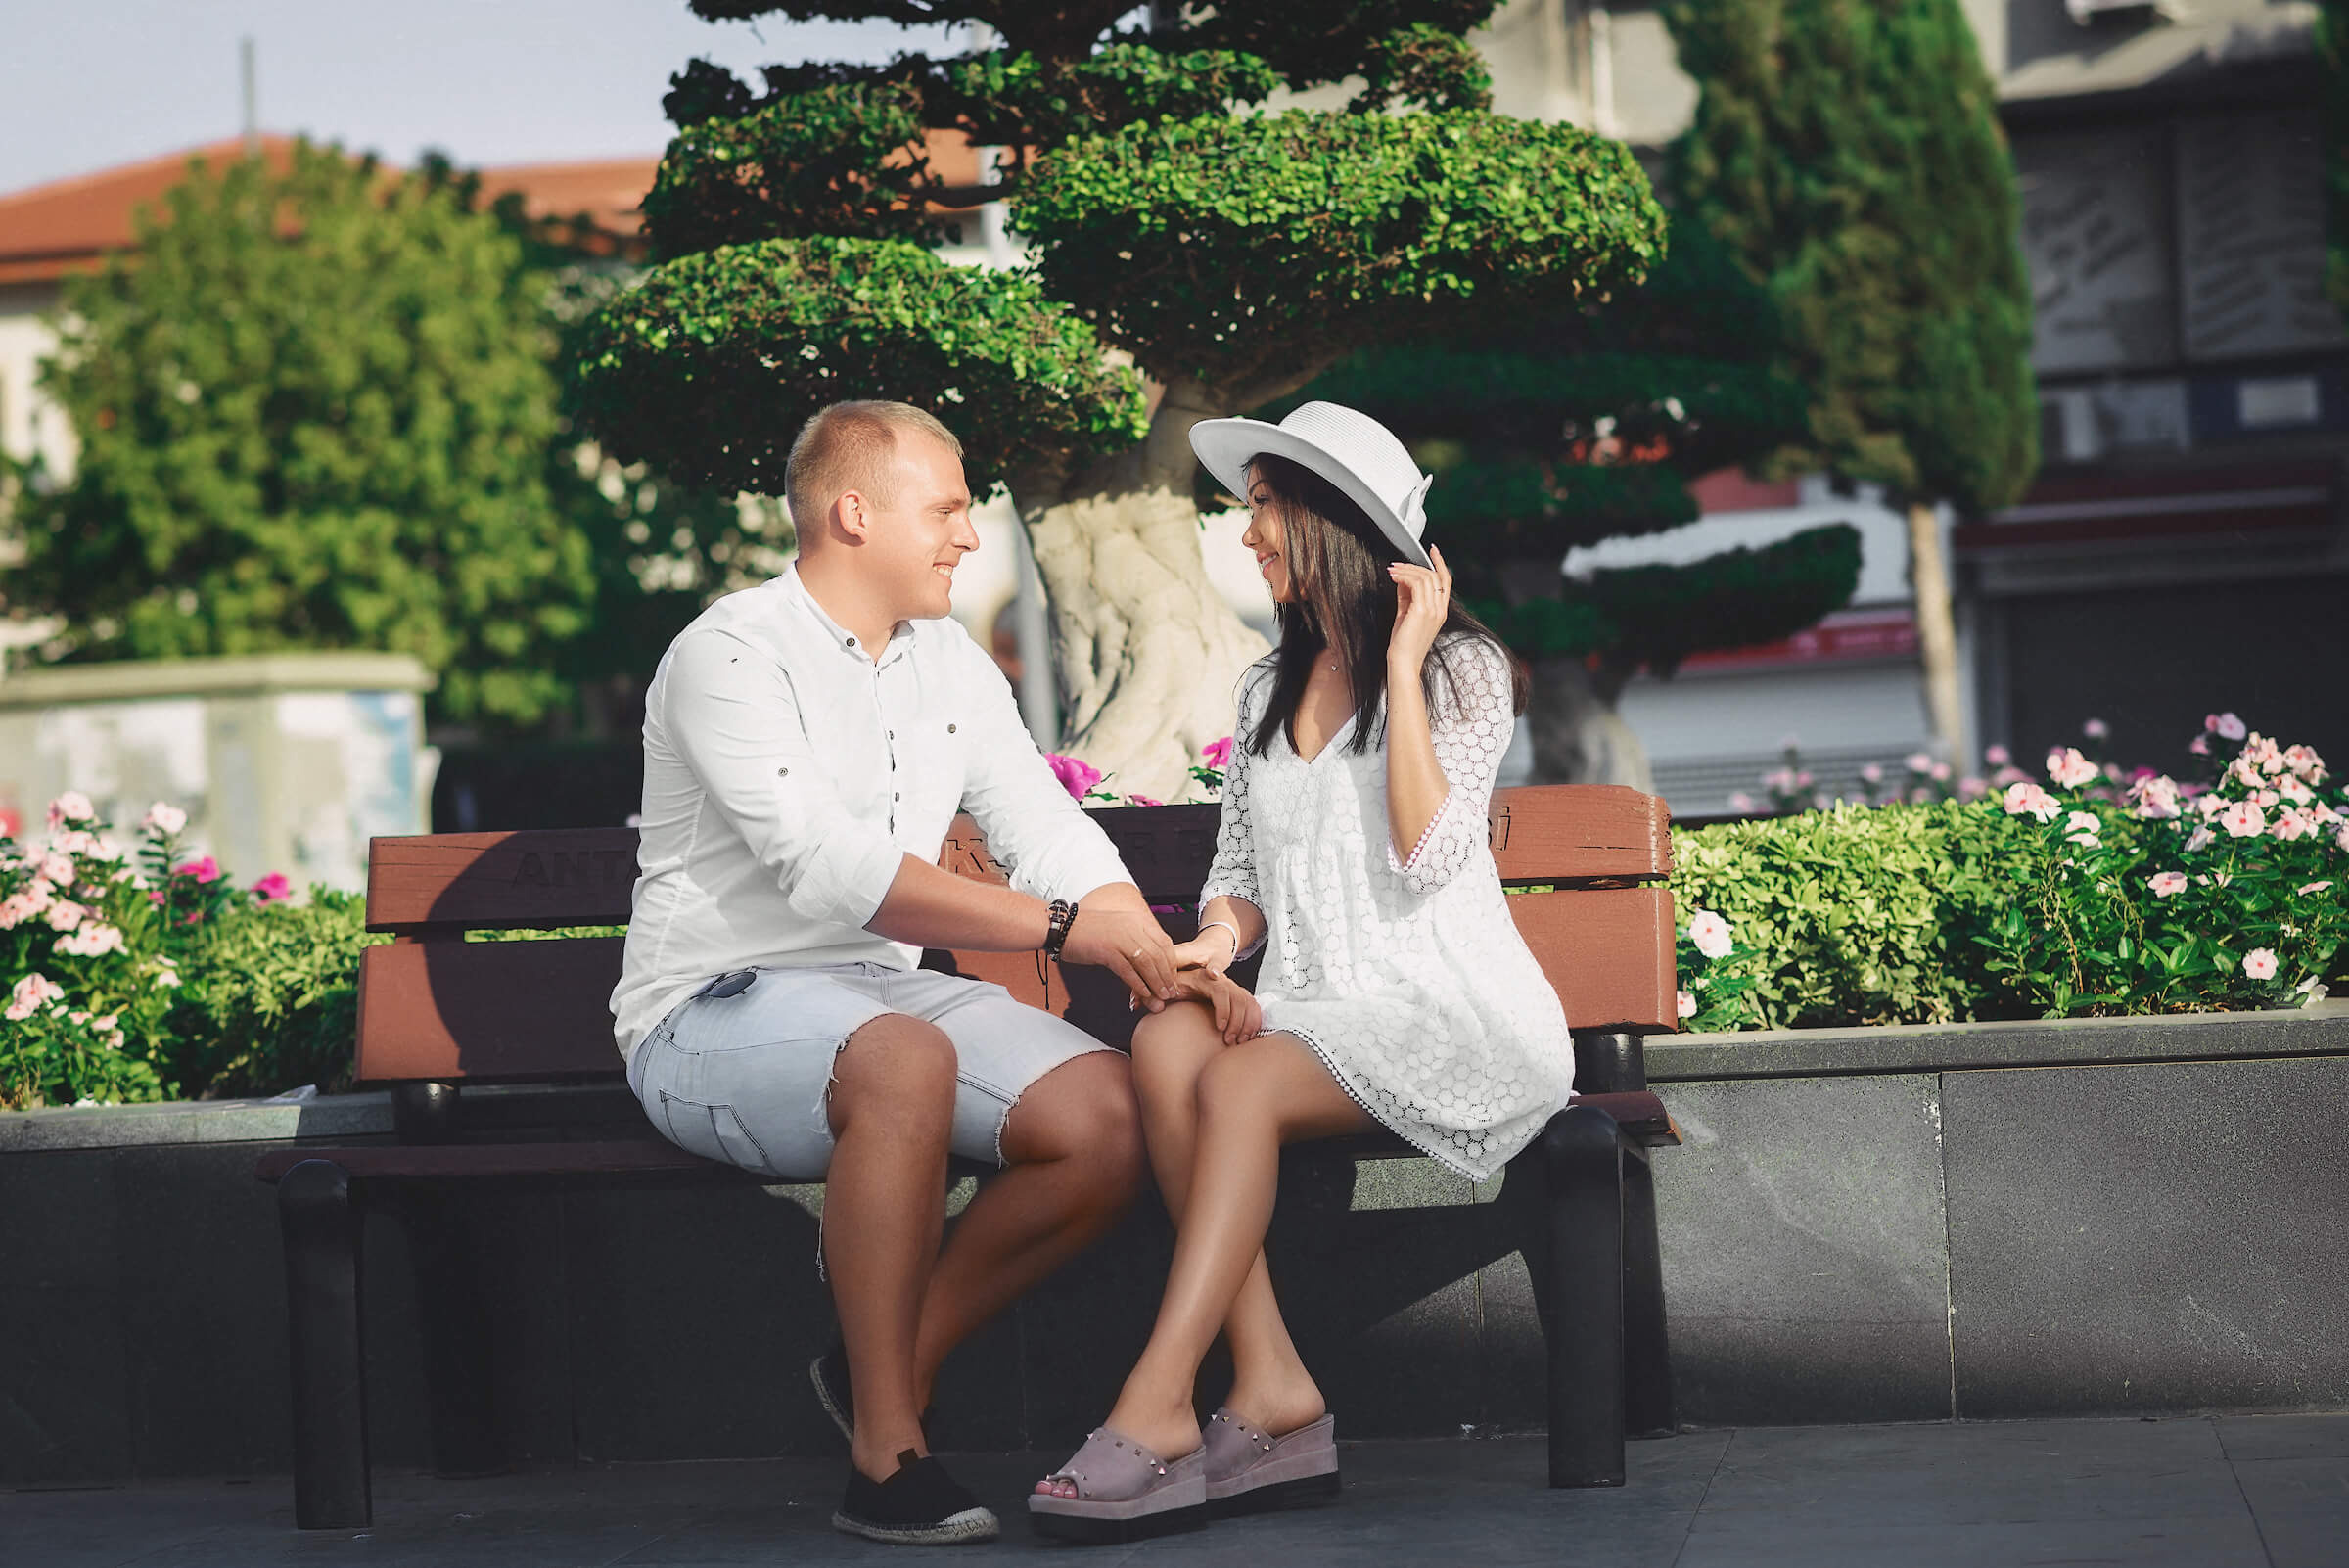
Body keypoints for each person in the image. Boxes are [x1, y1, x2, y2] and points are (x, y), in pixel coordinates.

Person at [612, 400, 1184, 1546]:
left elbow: (1047, 829)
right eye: (949, 509)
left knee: (1112, 1117)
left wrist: (1149, 947)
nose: (970, 537)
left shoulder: (948, 662)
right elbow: (833, 871)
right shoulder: (727, 654)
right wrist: (1067, 930)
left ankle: (883, 1364)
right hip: (708, 1009)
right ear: (853, 512)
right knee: (904, 1062)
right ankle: (888, 1455)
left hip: (877, 1001)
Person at [1027, 402, 1576, 1544]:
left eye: (1266, 508)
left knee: (1234, 1080)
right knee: (1170, 1036)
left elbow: (1431, 856)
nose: (1249, 534)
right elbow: (1242, 874)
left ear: (1331, 519)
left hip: (1452, 1010)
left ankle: (1160, 1400)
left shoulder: (1463, 671)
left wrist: (1409, 661)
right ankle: (1272, 1385)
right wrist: (1210, 951)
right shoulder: (1261, 687)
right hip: (1319, 1006)